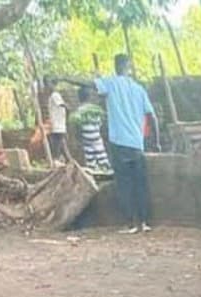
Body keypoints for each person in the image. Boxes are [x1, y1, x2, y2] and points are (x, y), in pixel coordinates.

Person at [68, 55, 159, 233]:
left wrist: (65, 78)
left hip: (119, 142)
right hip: (137, 143)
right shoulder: (139, 89)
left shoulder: (111, 83)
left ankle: (132, 223)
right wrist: (156, 142)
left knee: (124, 183)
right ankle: (144, 222)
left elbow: (88, 84)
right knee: (140, 182)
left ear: (116, 66)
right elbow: (152, 116)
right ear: (129, 67)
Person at [72, 85, 112, 175]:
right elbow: (100, 123)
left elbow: (77, 126)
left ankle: (95, 173)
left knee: (90, 159)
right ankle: (107, 172)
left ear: (79, 98)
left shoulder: (78, 111)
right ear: (89, 97)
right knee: (102, 157)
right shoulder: (95, 109)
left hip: (86, 139)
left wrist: (78, 138)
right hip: (96, 137)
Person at [44, 77, 68, 163]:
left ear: (53, 84)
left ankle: (57, 159)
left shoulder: (55, 95)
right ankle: (61, 159)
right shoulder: (53, 95)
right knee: (59, 142)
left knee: (58, 142)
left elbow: (62, 105)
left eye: (48, 84)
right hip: (57, 123)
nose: (47, 86)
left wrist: (68, 108)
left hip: (58, 124)